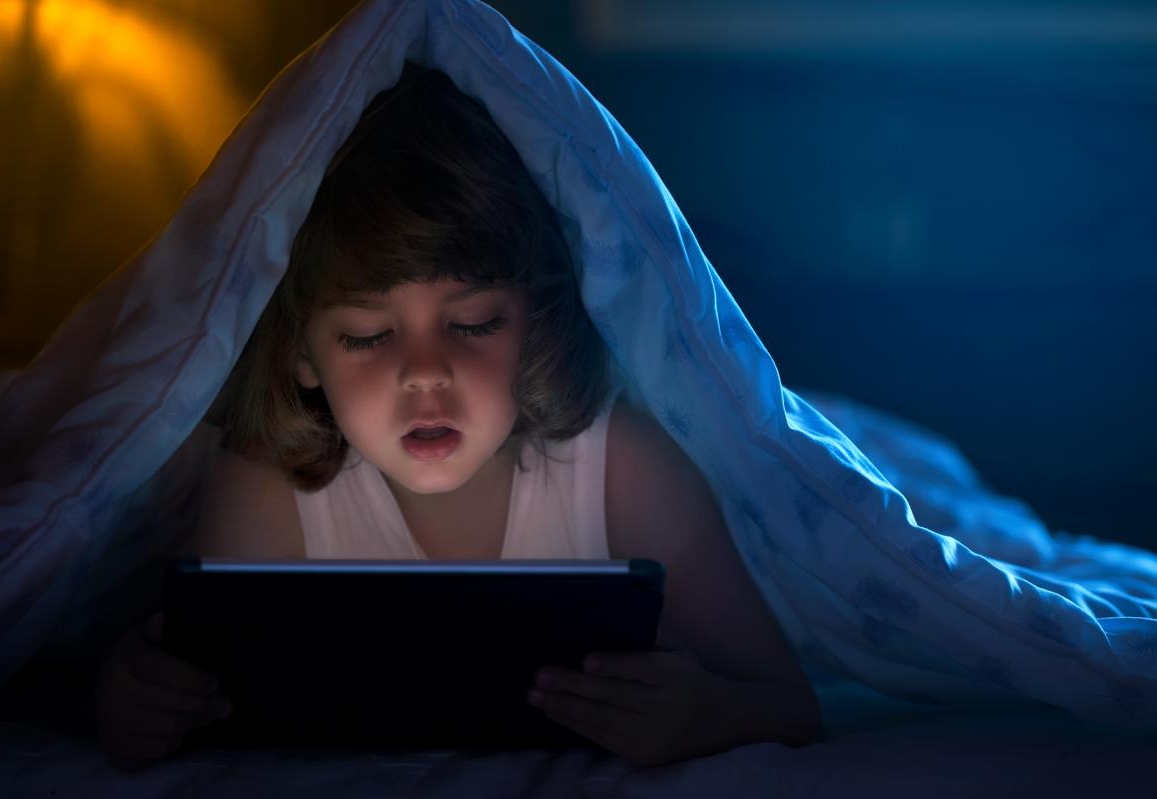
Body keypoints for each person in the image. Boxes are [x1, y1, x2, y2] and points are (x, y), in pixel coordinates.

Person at [94, 62, 822, 768]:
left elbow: (792, 705)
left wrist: (706, 717)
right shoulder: (266, 491)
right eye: (369, 336)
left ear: (534, 323)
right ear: (302, 353)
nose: (425, 373)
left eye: (472, 323)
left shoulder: (624, 470)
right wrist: (138, 704)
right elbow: (184, 699)